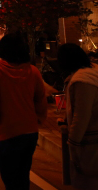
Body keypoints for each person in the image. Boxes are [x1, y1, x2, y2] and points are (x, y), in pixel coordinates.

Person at [0, 33, 47, 190]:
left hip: (8, 132)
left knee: (9, 178)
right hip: (30, 131)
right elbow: (41, 98)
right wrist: (39, 119)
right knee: (23, 175)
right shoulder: (33, 71)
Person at [57, 43, 98, 189]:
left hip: (90, 143)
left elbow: (81, 116)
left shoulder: (82, 80)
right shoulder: (93, 72)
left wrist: (72, 143)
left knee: (86, 182)